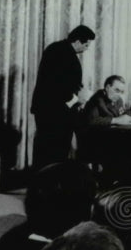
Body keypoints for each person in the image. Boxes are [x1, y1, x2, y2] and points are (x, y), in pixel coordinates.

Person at [30, 24, 95, 169]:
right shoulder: (62, 53)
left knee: (49, 149)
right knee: (53, 150)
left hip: (52, 109)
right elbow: (57, 83)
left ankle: (45, 184)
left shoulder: (58, 49)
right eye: (86, 45)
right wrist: (77, 98)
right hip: (54, 111)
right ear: (77, 41)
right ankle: (47, 185)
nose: (87, 48)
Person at [80, 75, 131, 186]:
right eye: (116, 90)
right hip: (95, 143)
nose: (119, 94)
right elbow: (92, 121)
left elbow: (124, 113)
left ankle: (125, 184)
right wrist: (115, 120)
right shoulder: (97, 100)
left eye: (121, 91)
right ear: (107, 87)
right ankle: (112, 185)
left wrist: (128, 114)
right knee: (123, 153)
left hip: (112, 139)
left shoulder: (118, 100)